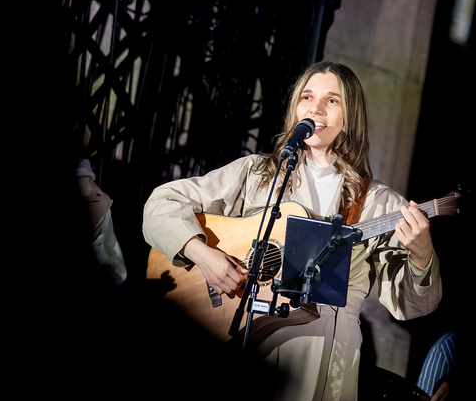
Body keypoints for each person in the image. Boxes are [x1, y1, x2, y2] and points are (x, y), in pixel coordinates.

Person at [142, 61, 442, 401]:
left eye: (332, 100)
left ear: (350, 117)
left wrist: (421, 253)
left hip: (322, 354)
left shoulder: (377, 202)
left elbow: (413, 306)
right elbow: (161, 203)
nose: (315, 108)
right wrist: (203, 255)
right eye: (307, 97)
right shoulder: (258, 174)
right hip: (245, 342)